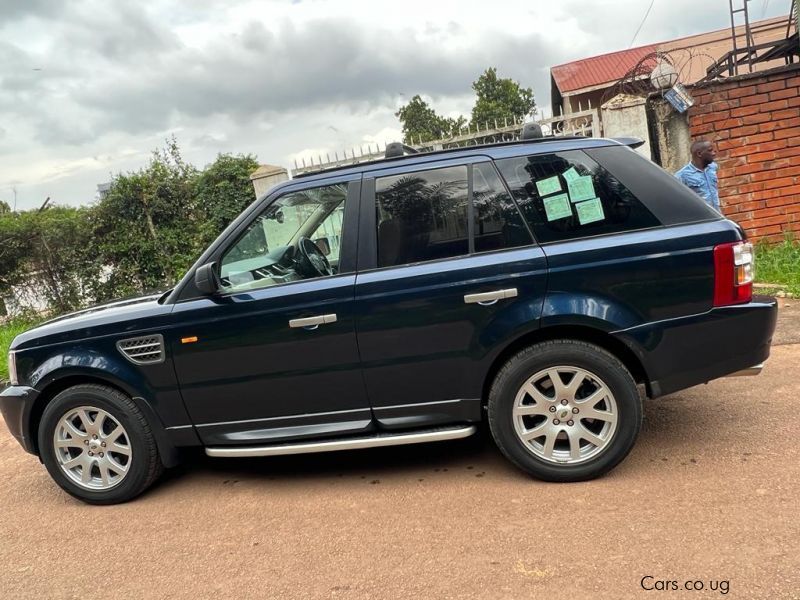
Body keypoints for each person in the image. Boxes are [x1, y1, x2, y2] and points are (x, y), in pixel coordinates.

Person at [675, 140, 719, 211]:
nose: (714, 153)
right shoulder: (682, 175)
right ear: (699, 154)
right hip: (701, 218)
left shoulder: (713, 167)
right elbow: (677, 200)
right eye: (710, 150)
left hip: (717, 214)